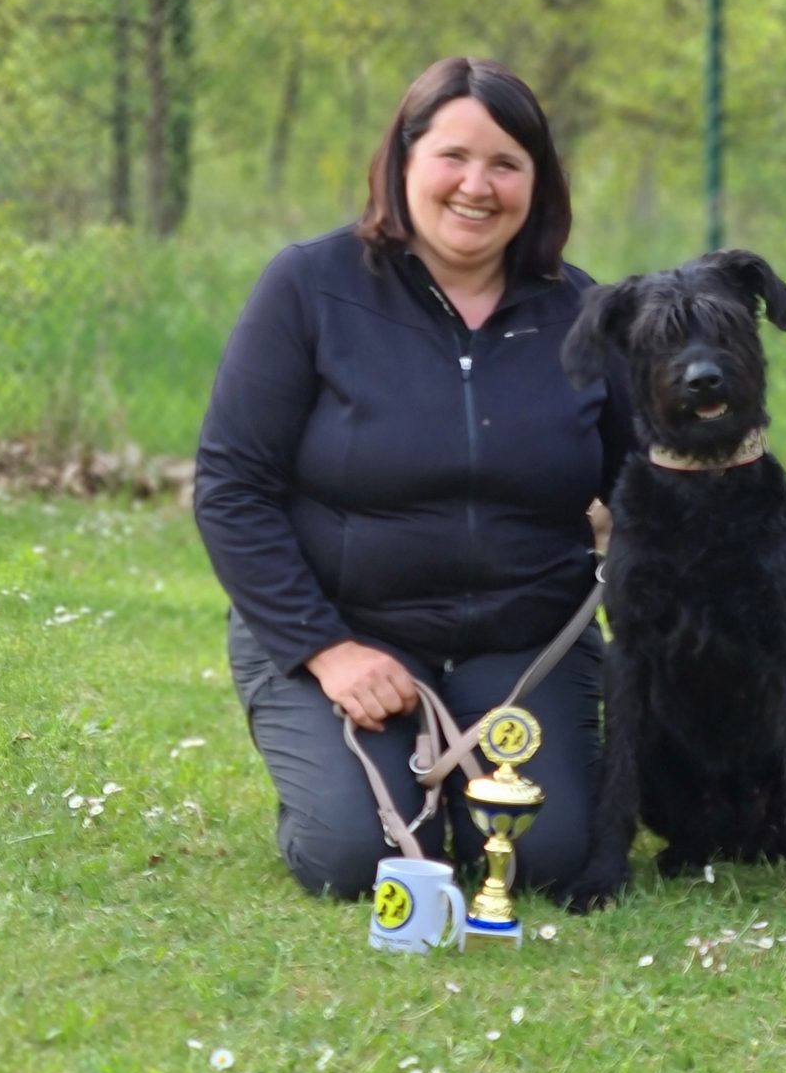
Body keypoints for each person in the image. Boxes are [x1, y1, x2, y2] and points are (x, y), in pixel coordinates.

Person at [195, 56, 630, 900]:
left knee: (543, 856)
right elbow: (231, 486)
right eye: (452, 156)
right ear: (403, 162)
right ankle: (348, 782)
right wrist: (325, 650)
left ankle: (476, 789)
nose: (477, 186)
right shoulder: (309, 287)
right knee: (362, 859)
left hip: (525, 643)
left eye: (506, 164)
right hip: (349, 634)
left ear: (538, 183)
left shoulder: (585, 315)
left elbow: (647, 486)